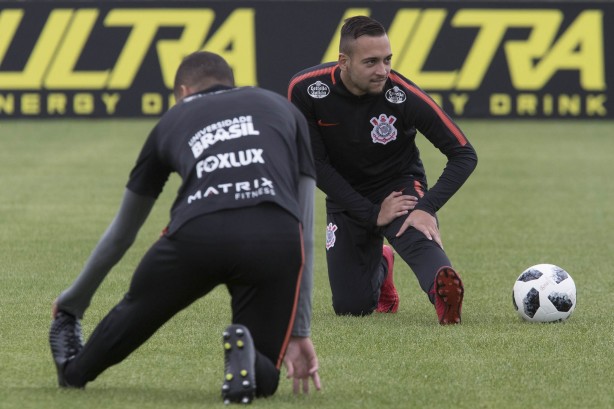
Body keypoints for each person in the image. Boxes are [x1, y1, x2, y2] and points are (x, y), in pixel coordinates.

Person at [49, 51, 322, 403]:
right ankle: (250, 357)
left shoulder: (171, 120)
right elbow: (306, 228)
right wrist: (299, 330)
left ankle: (76, 370)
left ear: (182, 90)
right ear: (231, 81)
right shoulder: (284, 109)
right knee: (262, 377)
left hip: (198, 233)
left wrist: (73, 302)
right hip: (273, 236)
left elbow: (121, 234)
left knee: (131, 315)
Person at [287, 16, 477, 324]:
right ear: (343, 61)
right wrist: (370, 213)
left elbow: (463, 153)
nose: (383, 71)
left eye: (387, 60)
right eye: (371, 62)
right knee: (352, 307)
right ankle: (382, 266)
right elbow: (314, 164)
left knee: (413, 229)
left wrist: (426, 207)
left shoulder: (402, 95)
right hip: (345, 193)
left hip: (398, 184)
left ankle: (443, 297)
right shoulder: (306, 89)